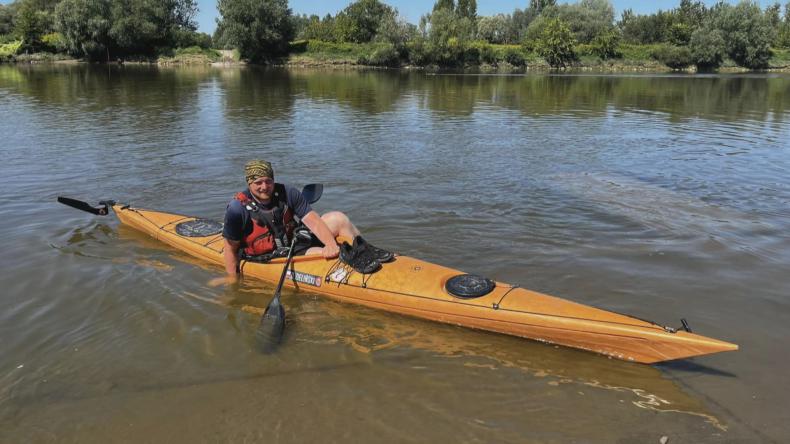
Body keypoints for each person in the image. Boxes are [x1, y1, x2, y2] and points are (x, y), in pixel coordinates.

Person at [215, 160, 388, 285]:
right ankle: (353, 268)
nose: (264, 186)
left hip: (293, 242)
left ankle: (364, 251)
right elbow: (230, 248)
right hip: (269, 256)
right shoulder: (237, 209)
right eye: (258, 183)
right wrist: (232, 279)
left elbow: (313, 220)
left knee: (338, 218)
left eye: (268, 181)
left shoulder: (288, 192)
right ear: (249, 183)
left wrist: (330, 243)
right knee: (326, 256)